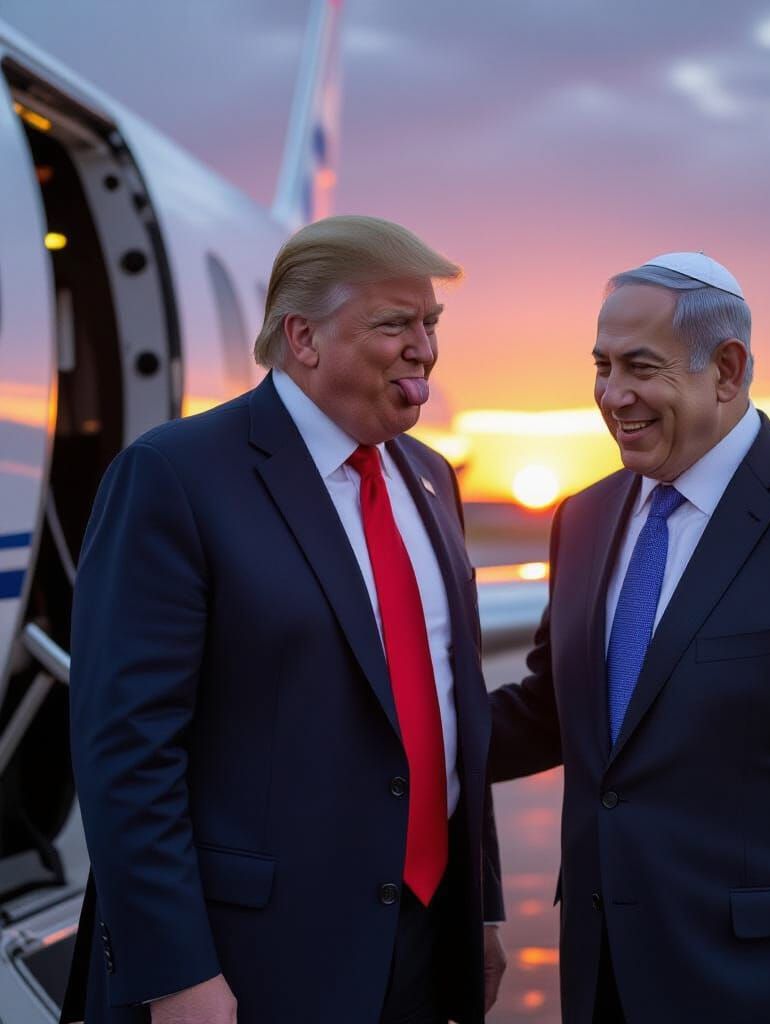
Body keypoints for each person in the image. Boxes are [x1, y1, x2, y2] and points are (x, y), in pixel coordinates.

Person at [63, 216, 506, 1024]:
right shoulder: (174, 475)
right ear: (302, 337)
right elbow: (126, 747)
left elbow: (451, 710)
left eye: (431, 324)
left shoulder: (432, 478)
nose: (424, 350)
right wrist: (175, 972)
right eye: (395, 325)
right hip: (252, 962)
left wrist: (480, 910)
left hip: (419, 944)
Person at [489, 252, 770, 1024]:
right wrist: (387, 731)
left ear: (728, 370)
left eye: (641, 367)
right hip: (605, 980)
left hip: (769, 988)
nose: (613, 394)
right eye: (602, 366)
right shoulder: (584, 517)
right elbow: (555, 711)